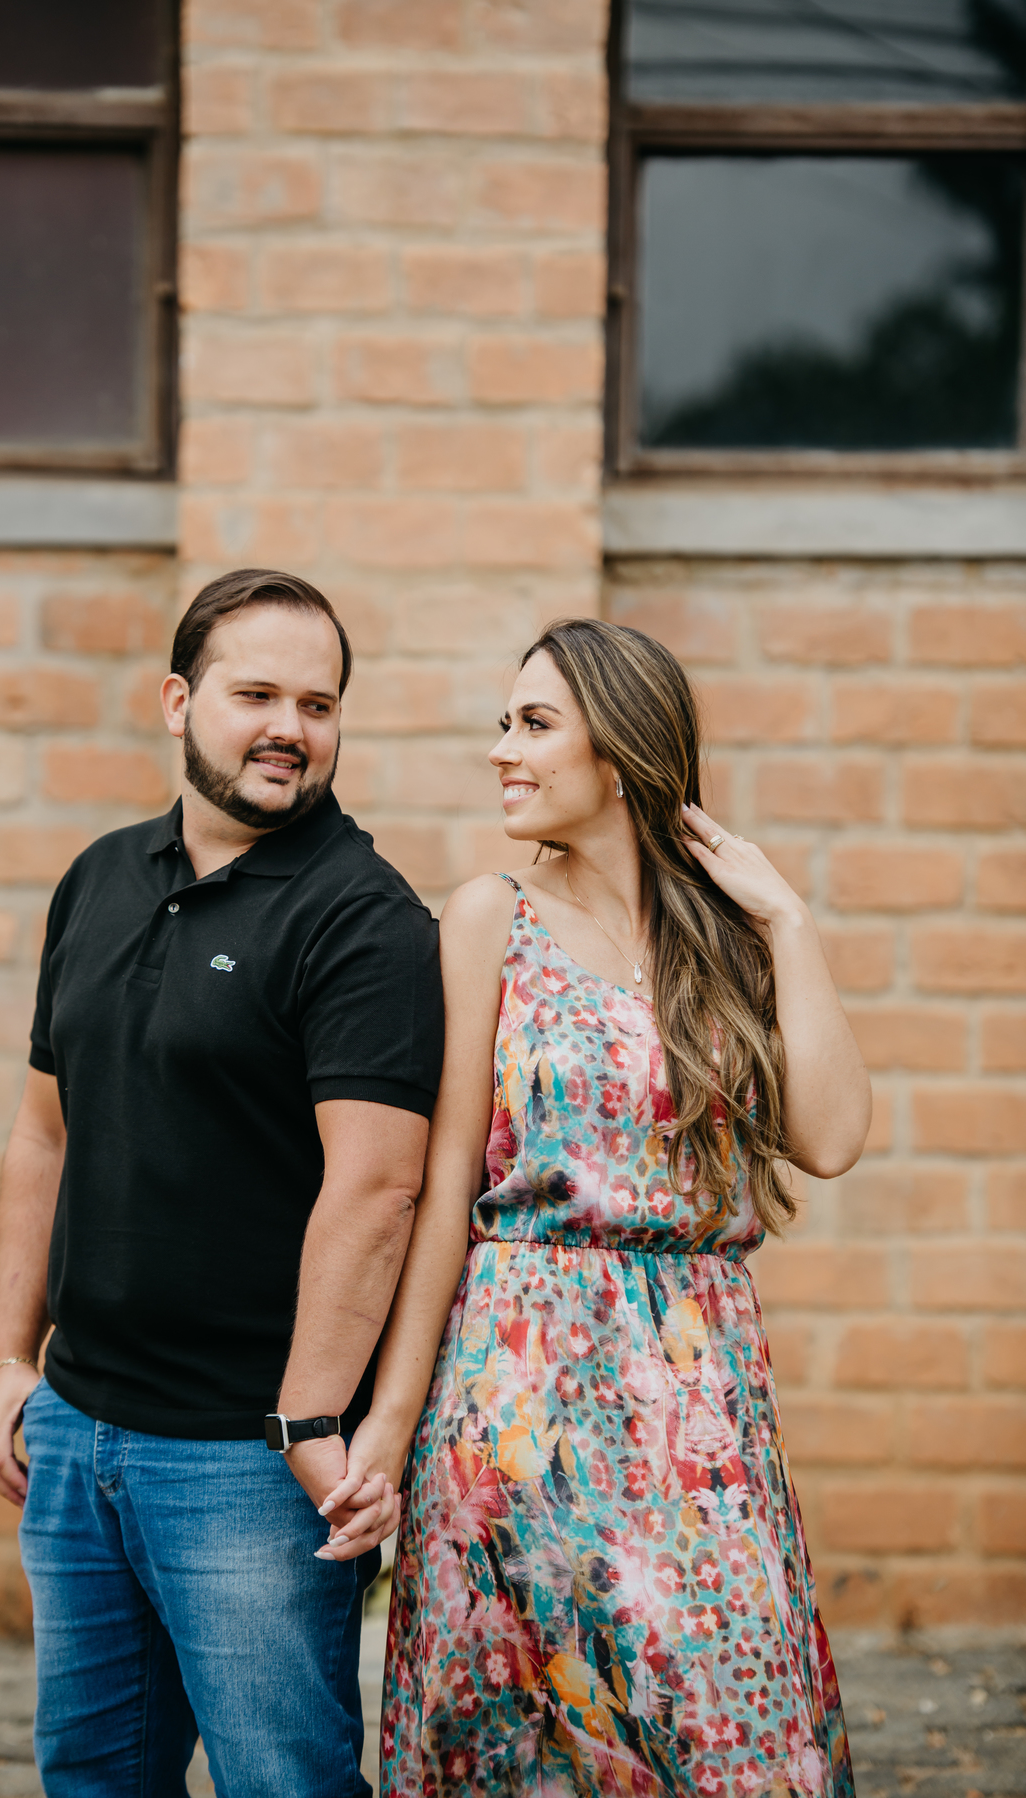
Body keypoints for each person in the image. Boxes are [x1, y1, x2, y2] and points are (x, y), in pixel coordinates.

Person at [319, 619, 871, 1797]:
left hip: (698, 1392)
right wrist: (393, 1419)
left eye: (532, 724)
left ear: (617, 754)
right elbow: (449, 1184)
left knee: (734, 1730)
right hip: (519, 1394)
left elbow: (830, 1136)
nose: (499, 751)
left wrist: (789, 921)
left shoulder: (721, 939)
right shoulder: (488, 918)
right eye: (502, 723)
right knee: (523, 1741)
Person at [0, 568, 444, 1798]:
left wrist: (305, 1421)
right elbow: (43, 1134)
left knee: (280, 1779)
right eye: (258, 693)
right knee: (90, 1773)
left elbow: (380, 1187)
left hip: (244, 1458)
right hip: (77, 1433)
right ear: (179, 700)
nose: (291, 725)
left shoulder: (365, 920)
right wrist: (10, 1360)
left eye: (320, 703)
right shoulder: (100, 877)